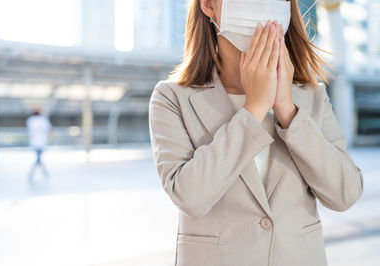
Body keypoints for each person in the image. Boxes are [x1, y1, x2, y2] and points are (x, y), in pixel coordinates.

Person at [148, 0, 364, 265]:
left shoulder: (312, 96)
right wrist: (255, 108)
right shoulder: (172, 98)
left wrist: (287, 109)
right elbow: (190, 197)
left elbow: (345, 194)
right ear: (208, 5)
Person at [26, 107, 52, 184]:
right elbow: (48, 129)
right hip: (40, 142)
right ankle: (42, 171)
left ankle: (40, 171)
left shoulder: (30, 120)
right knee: (38, 158)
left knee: (38, 157)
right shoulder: (43, 120)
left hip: (35, 142)